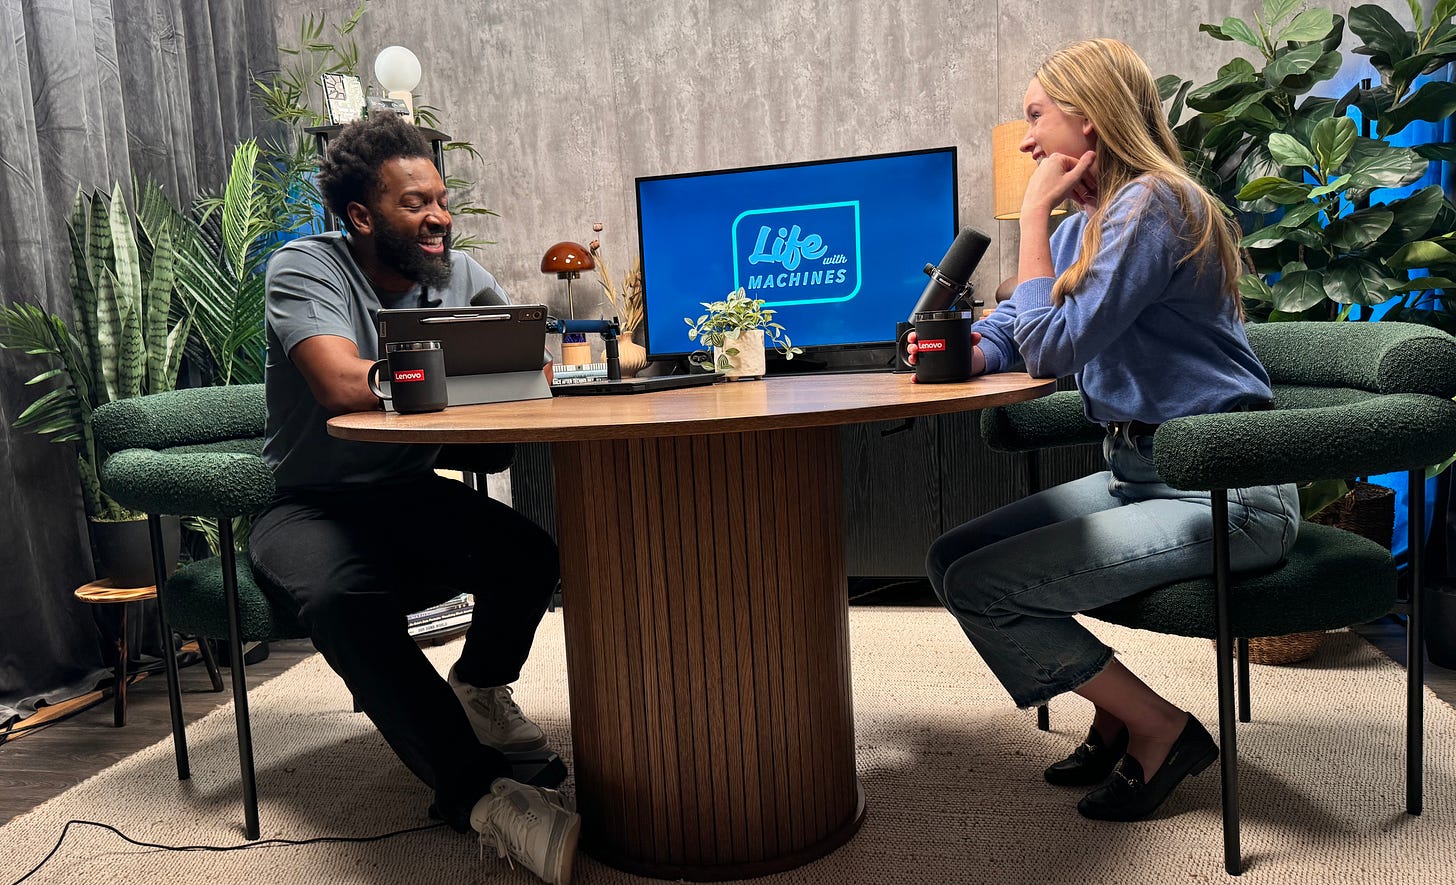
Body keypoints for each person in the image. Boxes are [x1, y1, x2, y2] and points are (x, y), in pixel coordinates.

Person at [907, 38, 1300, 821]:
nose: (1024, 139)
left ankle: (1164, 730)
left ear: (1089, 121)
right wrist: (966, 345)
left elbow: (1056, 343)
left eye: (1035, 116)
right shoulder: (1091, 223)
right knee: (950, 557)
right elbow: (1023, 325)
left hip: (1225, 488)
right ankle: (1117, 713)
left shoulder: (1153, 203)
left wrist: (1030, 215)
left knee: (989, 587)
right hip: (1138, 472)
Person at [249, 112, 579, 883]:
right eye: (413, 203)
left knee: (529, 555)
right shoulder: (306, 267)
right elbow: (339, 382)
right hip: (308, 503)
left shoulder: (457, 275)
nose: (439, 217)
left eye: (440, 198)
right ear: (361, 216)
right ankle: (478, 795)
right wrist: (481, 369)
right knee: (341, 597)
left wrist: (504, 369)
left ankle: (478, 686)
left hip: (404, 490)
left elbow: (537, 368)